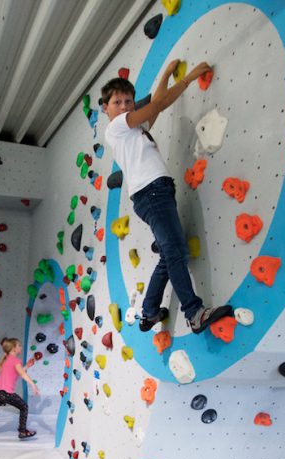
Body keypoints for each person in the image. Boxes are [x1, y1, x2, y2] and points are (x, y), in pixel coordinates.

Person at [101, 60, 232, 334]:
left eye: (128, 101)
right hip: (151, 193)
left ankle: (149, 312)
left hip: (157, 191)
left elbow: (159, 102)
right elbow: (157, 105)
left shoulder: (136, 131)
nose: (124, 106)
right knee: (175, 252)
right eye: (117, 102)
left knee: (172, 253)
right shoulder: (115, 128)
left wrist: (170, 77)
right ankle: (194, 313)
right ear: (106, 109)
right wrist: (185, 79)